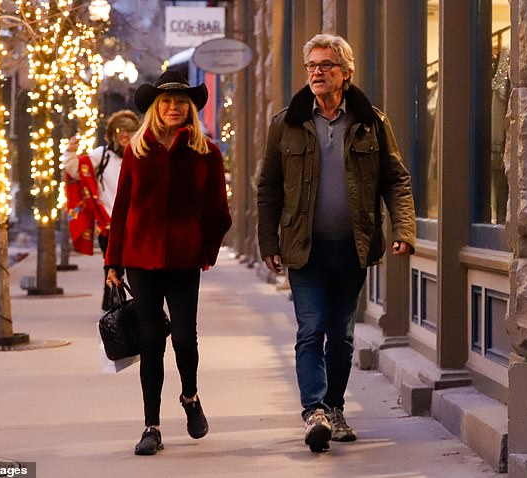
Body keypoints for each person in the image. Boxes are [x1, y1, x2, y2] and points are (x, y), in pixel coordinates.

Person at [257, 34, 416, 453]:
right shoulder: (286, 123)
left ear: (346, 73)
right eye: (311, 65)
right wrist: (267, 241)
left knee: (342, 335)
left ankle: (335, 407)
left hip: (352, 246)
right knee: (310, 329)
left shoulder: (371, 122)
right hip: (303, 247)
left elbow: (396, 179)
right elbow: (268, 187)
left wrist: (404, 230)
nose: (316, 72)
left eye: (326, 65)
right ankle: (314, 412)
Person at [105, 70, 231, 456]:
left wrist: (204, 250)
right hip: (140, 257)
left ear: (189, 108)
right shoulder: (137, 149)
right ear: (156, 108)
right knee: (150, 341)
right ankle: (151, 426)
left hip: (183, 259)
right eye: (166, 102)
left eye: (180, 102)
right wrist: (113, 262)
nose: (173, 107)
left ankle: (190, 397)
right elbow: (122, 207)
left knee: (183, 337)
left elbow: (218, 213)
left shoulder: (206, 152)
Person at [63, 110, 140, 310]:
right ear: (113, 134)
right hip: (108, 224)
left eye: (130, 131)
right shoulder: (102, 155)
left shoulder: (141, 155)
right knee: (112, 265)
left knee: (134, 267)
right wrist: (70, 152)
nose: (125, 135)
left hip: (136, 222)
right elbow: (76, 170)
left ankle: (132, 304)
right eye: (120, 131)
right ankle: (113, 306)